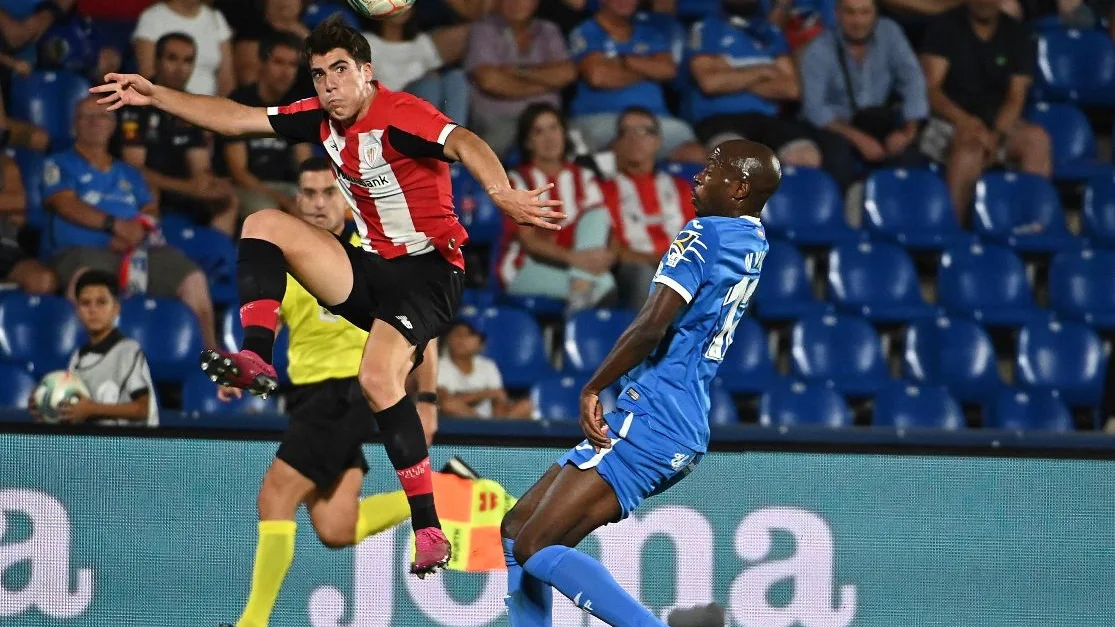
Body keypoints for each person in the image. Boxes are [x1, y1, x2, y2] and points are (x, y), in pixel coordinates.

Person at [93, 14, 564, 576]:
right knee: (263, 221)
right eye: (318, 75)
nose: (328, 85)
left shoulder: (402, 114)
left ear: (366, 73)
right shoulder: (318, 119)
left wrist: (502, 192)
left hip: (432, 272)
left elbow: (463, 140)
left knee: (376, 378)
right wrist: (157, 96)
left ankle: (429, 526)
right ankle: (255, 357)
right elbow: (239, 119)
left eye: (339, 71)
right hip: (374, 267)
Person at [500, 139, 778, 627]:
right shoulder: (753, 239)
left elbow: (651, 326)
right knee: (517, 527)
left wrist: (592, 386)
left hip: (653, 416)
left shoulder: (706, 233)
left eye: (711, 170)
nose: (698, 177)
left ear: (737, 189)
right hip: (676, 419)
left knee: (535, 545)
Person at [44, 95, 218, 349]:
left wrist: (139, 230)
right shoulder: (59, 163)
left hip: (135, 251)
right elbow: (65, 204)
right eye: (87, 117)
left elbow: (150, 209)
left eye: (102, 116)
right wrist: (114, 226)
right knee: (87, 278)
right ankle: (84, 357)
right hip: (82, 253)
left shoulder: (129, 172)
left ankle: (211, 356)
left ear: (113, 125)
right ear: (75, 124)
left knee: (192, 277)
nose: (95, 123)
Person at [919, 0, 1051, 223]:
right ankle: (954, 232)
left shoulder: (1017, 33)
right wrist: (966, 122)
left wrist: (997, 134)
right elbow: (931, 91)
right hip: (950, 121)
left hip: (997, 123)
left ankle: (1032, 230)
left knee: (1037, 140)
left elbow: (1015, 97)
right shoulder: (944, 27)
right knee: (970, 147)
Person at [499, 103, 615, 313]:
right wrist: (576, 260)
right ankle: (577, 310)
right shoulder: (517, 180)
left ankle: (579, 298)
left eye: (554, 128)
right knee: (604, 285)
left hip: (576, 266)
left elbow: (605, 230)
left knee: (596, 215)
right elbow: (529, 241)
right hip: (525, 267)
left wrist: (609, 255)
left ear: (564, 133)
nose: (550, 138)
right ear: (527, 142)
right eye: (539, 131)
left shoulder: (584, 177)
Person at [120, 32, 240, 235]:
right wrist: (188, 187)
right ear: (156, 61)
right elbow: (134, 169)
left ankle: (216, 256)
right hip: (148, 185)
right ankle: (156, 256)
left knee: (228, 199)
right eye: (172, 58)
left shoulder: (191, 105)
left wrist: (208, 182)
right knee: (149, 191)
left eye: (187, 61)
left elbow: (200, 166)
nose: (180, 68)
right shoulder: (135, 101)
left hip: (182, 185)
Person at [799, 0, 927, 167]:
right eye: (850, 12)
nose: (858, 21)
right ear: (838, 14)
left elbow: (913, 80)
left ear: (876, 14)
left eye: (865, 12)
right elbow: (814, 108)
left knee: (912, 160)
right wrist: (858, 138)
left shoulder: (890, 32)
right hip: (837, 127)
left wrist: (908, 131)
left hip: (879, 119)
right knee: (838, 156)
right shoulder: (819, 49)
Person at [30, 269, 158, 426]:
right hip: (90, 445)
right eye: (85, 303)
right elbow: (74, 408)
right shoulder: (77, 357)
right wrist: (46, 406)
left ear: (116, 309)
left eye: (101, 302)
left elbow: (143, 409)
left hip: (126, 447)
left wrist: (91, 410)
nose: (93, 310)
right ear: (77, 310)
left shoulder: (128, 351)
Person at [602, 107, 696, 312]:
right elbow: (616, 251)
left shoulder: (681, 189)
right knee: (643, 277)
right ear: (616, 143)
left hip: (681, 271)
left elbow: (697, 243)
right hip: (634, 271)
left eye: (643, 131)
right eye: (626, 132)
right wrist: (660, 262)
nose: (634, 138)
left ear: (658, 141)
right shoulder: (604, 191)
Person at [465, 0, 576, 156]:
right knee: (486, 155)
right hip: (500, 122)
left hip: (547, 121)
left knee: (575, 147)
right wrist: (546, 83)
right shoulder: (483, 30)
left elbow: (567, 73)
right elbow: (490, 81)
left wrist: (518, 71)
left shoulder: (548, 30)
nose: (516, 3)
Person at [223, 32, 313, 216]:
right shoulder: (239, 101)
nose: (286, 72)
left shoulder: (297, 106)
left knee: (319, 210)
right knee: (266, 211)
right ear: (261, 63)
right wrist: (282, 199)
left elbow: (304, 162)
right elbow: (238, 172)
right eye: (279, 62)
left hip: (289, 187)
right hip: (250, 188)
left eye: (292, 64)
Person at [132, 0, 234, 96]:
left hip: (210, 108)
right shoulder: (152, 18)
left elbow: (227, 80)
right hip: (166, 106)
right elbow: (148, 76)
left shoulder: (216, 18)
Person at [438, 319, 534, 419]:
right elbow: (444, 400)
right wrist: (485, 393)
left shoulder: (488, 366)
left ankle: (495, 430)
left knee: (526, 405)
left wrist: (498, 418)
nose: (462, 339)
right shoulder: (439, 365)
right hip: (458, 421)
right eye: (457, 335)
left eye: (468, 335)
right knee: (450, 405)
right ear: (448, 339)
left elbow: (498, 399)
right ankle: (488, 429)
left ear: (480, 343)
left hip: (491, 421)